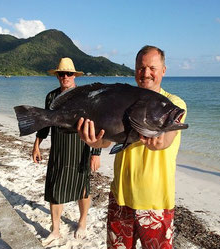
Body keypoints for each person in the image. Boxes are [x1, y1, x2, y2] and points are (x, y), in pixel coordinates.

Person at [77, 45, 187, 248]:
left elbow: (165, 140)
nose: (146, 73)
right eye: (141, 68)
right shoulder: (121, 99)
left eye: (152, 68)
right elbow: (106, 141)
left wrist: (157, 142)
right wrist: (92, 142)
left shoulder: (173, 104)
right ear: (134, 69)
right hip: (120, 199)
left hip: (156, 204)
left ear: (163, 70)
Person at [32, 57, 101, 246]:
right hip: (59, 148)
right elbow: (44, 122)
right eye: (61, 74)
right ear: (57, 76)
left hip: (81, 146)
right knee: (55, 188)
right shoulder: (51, 97)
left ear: (74, 75)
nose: (65, 77)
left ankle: (82, 222)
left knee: (83, 188)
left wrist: (96, 153)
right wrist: (37, 144)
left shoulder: (85, 96)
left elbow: (95, 125)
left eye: (69, 73)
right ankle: (55, 230)